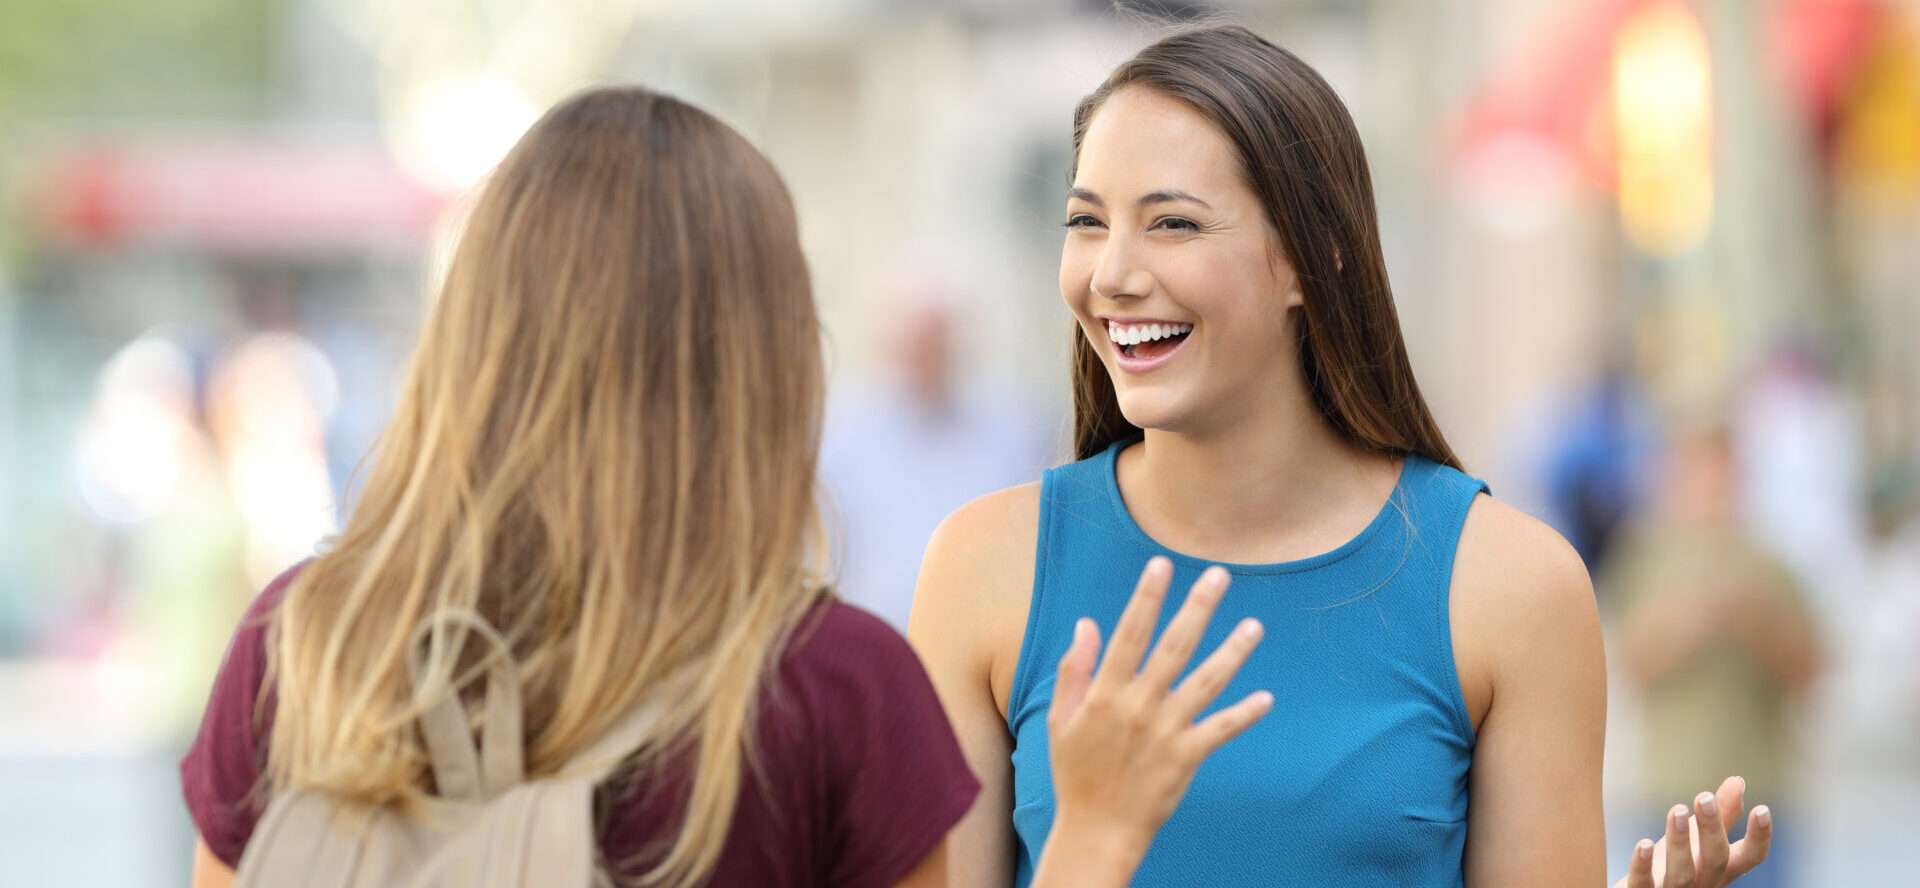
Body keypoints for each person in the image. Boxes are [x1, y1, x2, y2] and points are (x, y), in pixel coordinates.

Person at [180, 86, 1270, 888]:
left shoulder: (304, 645)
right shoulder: (828, 691)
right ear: (763, 357)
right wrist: (1094, 832)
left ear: (474, 340)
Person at [908, 25, 1773, 888]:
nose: (1113, 274)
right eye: (1087, 222)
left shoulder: (1510, 587)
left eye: (1172, 223)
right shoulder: (984, 570)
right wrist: (1088, 845)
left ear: (1310, 259)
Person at [1613, 424, 1822, 888]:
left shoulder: (1771, 566)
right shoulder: (1648, 560)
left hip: (1761, 799)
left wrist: (1754, 618)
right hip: (1671, 797)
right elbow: (1631, 667)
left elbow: (1809, 674)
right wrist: (1693, 615)